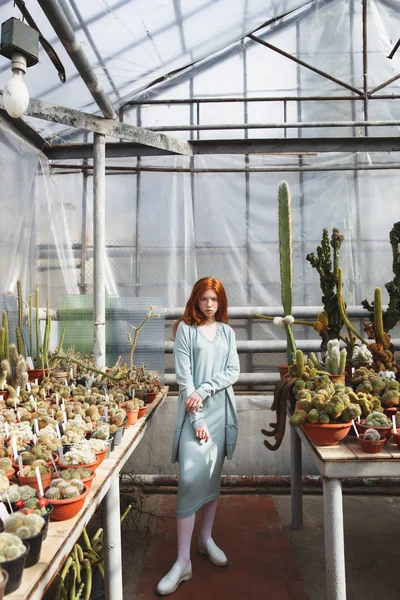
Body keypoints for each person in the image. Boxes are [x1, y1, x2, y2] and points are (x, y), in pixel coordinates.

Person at [156, 277, 240, 596]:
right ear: (195, 299)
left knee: (211, 476)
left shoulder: (228, 333)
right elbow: (184, 378)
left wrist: (206, 390)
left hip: (220, 412)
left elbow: (233, 371)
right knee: (191, 478)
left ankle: (205, 539)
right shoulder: (185, 331)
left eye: (214, 300)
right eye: (204, 299)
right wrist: (197, 416)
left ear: (221, 303)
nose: (208, 305)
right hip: (196, 416)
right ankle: (182, 561)